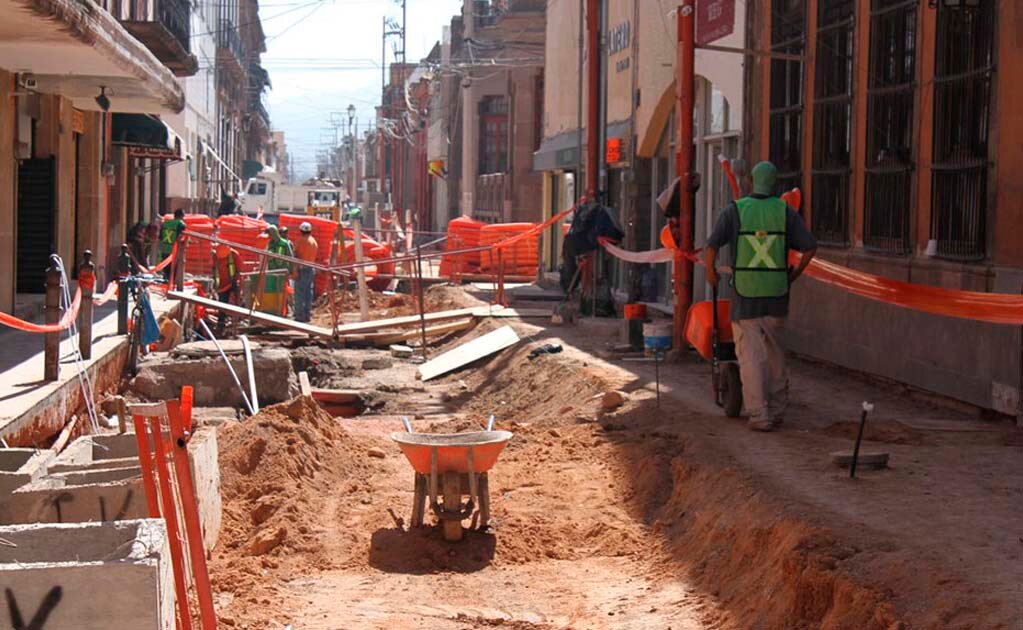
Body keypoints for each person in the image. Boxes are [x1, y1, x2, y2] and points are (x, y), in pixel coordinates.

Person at [703, 161, 817, 432]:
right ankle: (777, 410)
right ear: (775, 184)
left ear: (751, 183)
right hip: (777, 294)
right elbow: (810, 247)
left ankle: (758, 414)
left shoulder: (735, 210)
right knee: (777, 354)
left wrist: (711, 272)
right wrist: (792, 276)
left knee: (751, 356)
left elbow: (711, 245)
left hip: (746, 295)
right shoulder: (785, 211)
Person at [262, 225, 294, 315]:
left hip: (282, 272)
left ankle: (287, 311)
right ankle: (276, 311)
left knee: (284, 292)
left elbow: (290, 257)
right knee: (274, 292)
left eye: (270, 234)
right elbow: (266, 257)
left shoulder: (284, 243)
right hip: (272, 272)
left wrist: (291, 271)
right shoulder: (270, 244)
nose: (269, 237)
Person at [213, 243, 242, 335]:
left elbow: (240, 268)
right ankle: (221, 324)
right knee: (222, 304)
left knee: (238, 302)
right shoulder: (215, 256)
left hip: (233, 282)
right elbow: (213, 269)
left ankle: (238, 322)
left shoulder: (234, 255)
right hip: (222, 285)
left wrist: (236, 280)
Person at [292, 221, 318, 323]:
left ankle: (299, 315)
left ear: (301, 231)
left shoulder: (300, 241)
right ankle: (307, 315)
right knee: (308, 293)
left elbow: (296, 256)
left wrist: (295, 270)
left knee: (299, 293)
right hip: (311, 269)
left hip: (302, 269)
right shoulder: (313, 241)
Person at [158, 209, 186, 281]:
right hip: (174, 250)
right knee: (174, 272)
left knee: (166, 270)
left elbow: (160, 237)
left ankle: (166, 284)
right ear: (182, 216)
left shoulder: (165, 223)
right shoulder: (181, 224)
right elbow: (181, 238)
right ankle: (172, 285)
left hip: (164, 249)